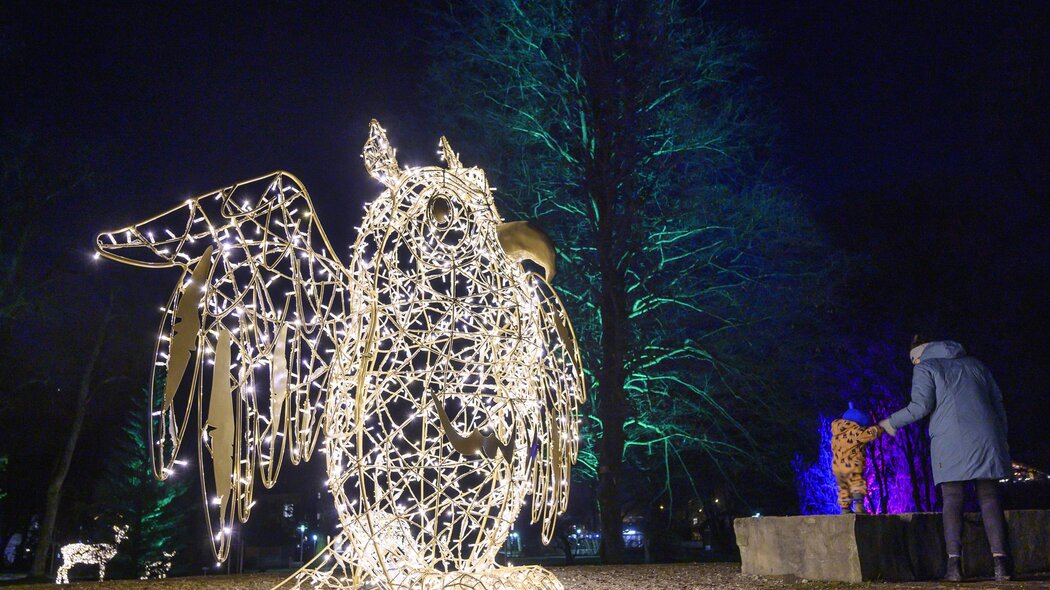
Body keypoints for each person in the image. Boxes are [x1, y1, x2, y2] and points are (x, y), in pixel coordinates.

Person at [879, 335, 1011, 582]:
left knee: (952, 499)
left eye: (914, 359)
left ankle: (954, 567)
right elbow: (998, 403)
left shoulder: (926, 368)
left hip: (951, 441)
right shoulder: (976, 365)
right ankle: (1001, 565)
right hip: (987, 438)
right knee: (990, 498)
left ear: (918, 355)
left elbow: (920, 406)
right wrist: (1000, 437)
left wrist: (889, 423)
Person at [831, 403, 883, 514]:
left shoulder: (836, 435)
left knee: (843, 487)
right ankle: (859, 506)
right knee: (857, 483)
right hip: (852, 465)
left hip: (838, 467)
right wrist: (880, 429)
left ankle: (845, 509)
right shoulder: (855, 432)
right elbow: (868, 434)